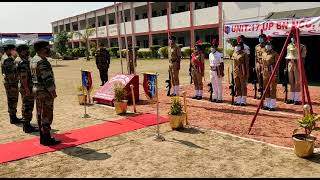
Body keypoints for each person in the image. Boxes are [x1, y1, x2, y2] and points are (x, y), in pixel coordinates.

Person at [30, 41, 61, 146]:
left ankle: (43, 137)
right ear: (42, 49)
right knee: (46, 114)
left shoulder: (33, 59)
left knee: (40, 113)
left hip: (37, 90)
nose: (48, 49)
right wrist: (53, 91)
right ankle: (47, 138)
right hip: (45, 91)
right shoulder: (42, 61)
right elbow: (47, 78)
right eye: (47, 48)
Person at [15, 44, 39, 132]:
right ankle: (27, 126)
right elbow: (23, 77)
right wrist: (27, 89)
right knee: (28, 106)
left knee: (26, 105)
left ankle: (26, 125)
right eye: (26, 50)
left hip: (24, 87)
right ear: (21, 51)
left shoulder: (19, 60)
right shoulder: (23, 62)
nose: (27, 51)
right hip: (26, 87)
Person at [1, 44, 23, 124]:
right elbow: (11, 74)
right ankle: (13, 118)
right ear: (9, 50)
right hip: (11, 83)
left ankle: (13, 117)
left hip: (9, 82)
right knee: (12, 100)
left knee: (11, 100)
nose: (15, 51)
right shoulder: (8, 60)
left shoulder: (5, 57)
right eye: (14, 49)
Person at [285, 35, 307, 105]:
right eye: (292, 37)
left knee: (297, 82)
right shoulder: (289, 45)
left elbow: (303, 58)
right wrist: (286, 67)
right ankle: (291, 98)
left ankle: (297, 99)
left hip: (297, 63)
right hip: (290, 63)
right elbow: (287, 56)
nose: (292, 38)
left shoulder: (302, 46)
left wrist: (301, 66)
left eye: (294, 37)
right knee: (291, 82)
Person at [261, 36, 279, 111]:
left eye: (269, 45)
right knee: (266, 88)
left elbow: (277, 65)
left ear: (272, 46)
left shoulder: (275, 54)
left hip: (272, 72)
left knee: (272, 89)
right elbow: (262, 63)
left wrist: (275, 73)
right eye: (267, 45)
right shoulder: (264, 53)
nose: (267, 46)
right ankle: (267, 104)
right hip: (265, 72)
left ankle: (272, 105)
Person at [231, 37, 249, 106]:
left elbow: (247, 65)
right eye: (237, 46)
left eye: (239, 46)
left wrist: (247, 74)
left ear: (241, 47)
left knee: (243, 86)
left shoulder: (244, 54)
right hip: (236, 71)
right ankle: (238, 99)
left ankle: (243, 100)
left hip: (242, 71)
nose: (237, 47)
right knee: (237, 85)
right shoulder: (234, 53)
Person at [209, 38, 224, 103]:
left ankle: (220, 98)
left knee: (219, 84)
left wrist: (221, 72)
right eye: (211, 47)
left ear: (216, 47)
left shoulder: (219, 54)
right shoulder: (210, 54)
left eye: (213, 47)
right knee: (213, 84)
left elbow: (222, 64)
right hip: (212, 70)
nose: (212, 48)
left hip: (217, 70)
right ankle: (215, 97)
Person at [255, 31, 267, 99]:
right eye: (259, 38)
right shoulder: (257, 47)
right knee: (259, 79)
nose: (260, 39)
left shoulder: (267, 46)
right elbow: (256, 57)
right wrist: (256, 65)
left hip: (264, 64)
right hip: (258, 64)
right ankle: (261, 93)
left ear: (265, 38)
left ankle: (265, 93)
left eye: (262, 38)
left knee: (264, 79)